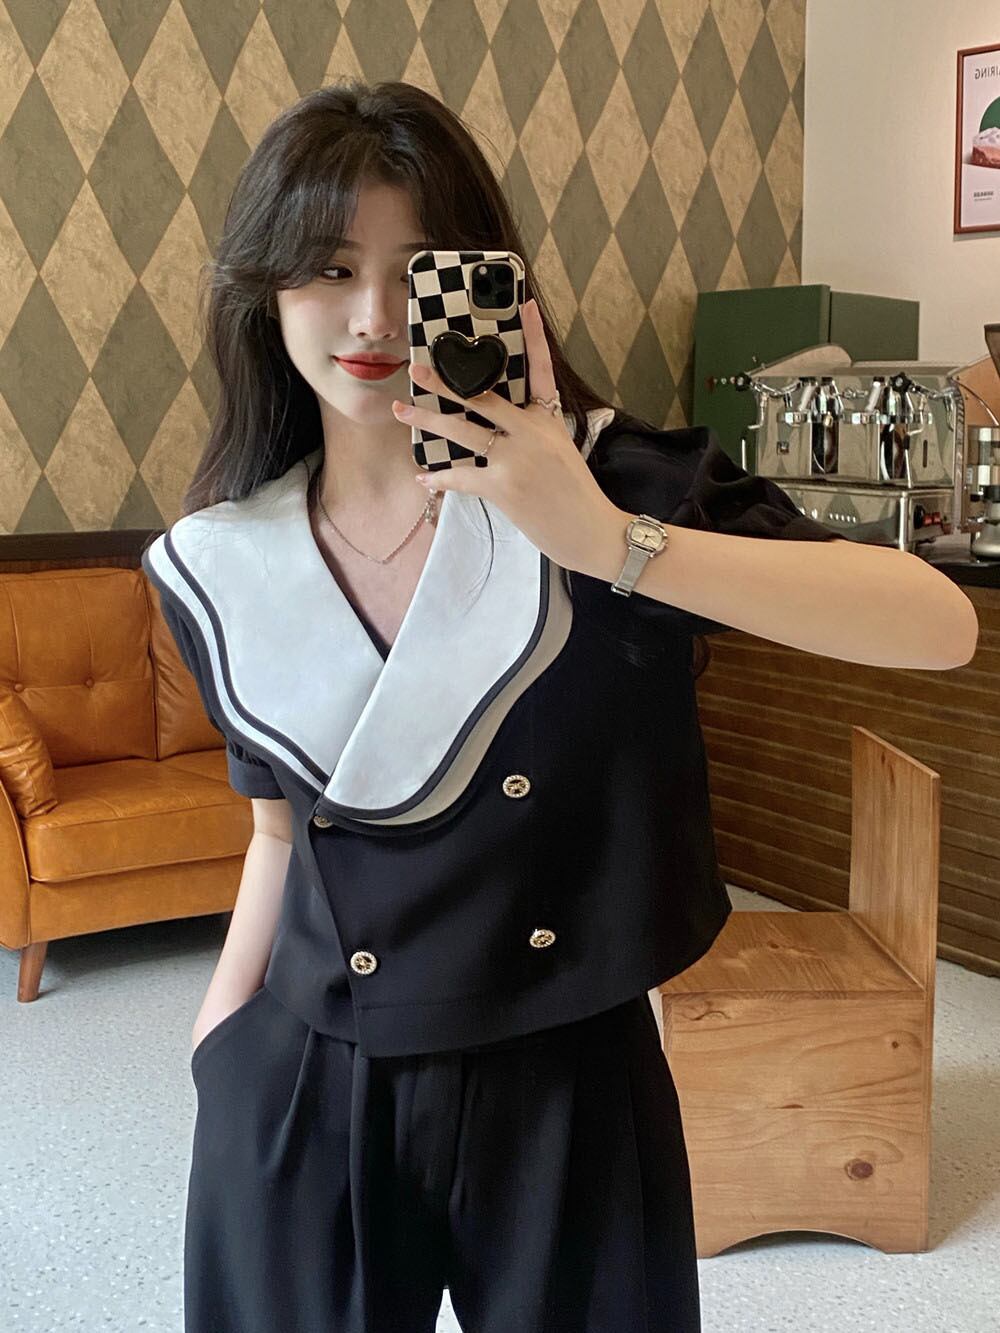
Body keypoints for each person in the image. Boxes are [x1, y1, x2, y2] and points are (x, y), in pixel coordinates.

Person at [141, 78, 964, 1333]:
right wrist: (222, 1036)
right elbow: (276, 831)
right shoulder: (225, 555)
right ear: (265, 292)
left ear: (490, 280)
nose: (372, 317)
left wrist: (605, 540)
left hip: (568, 1068)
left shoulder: (611, 485)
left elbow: (937, 626)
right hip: (308, 1071)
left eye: (415, 270)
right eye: (326, 268)